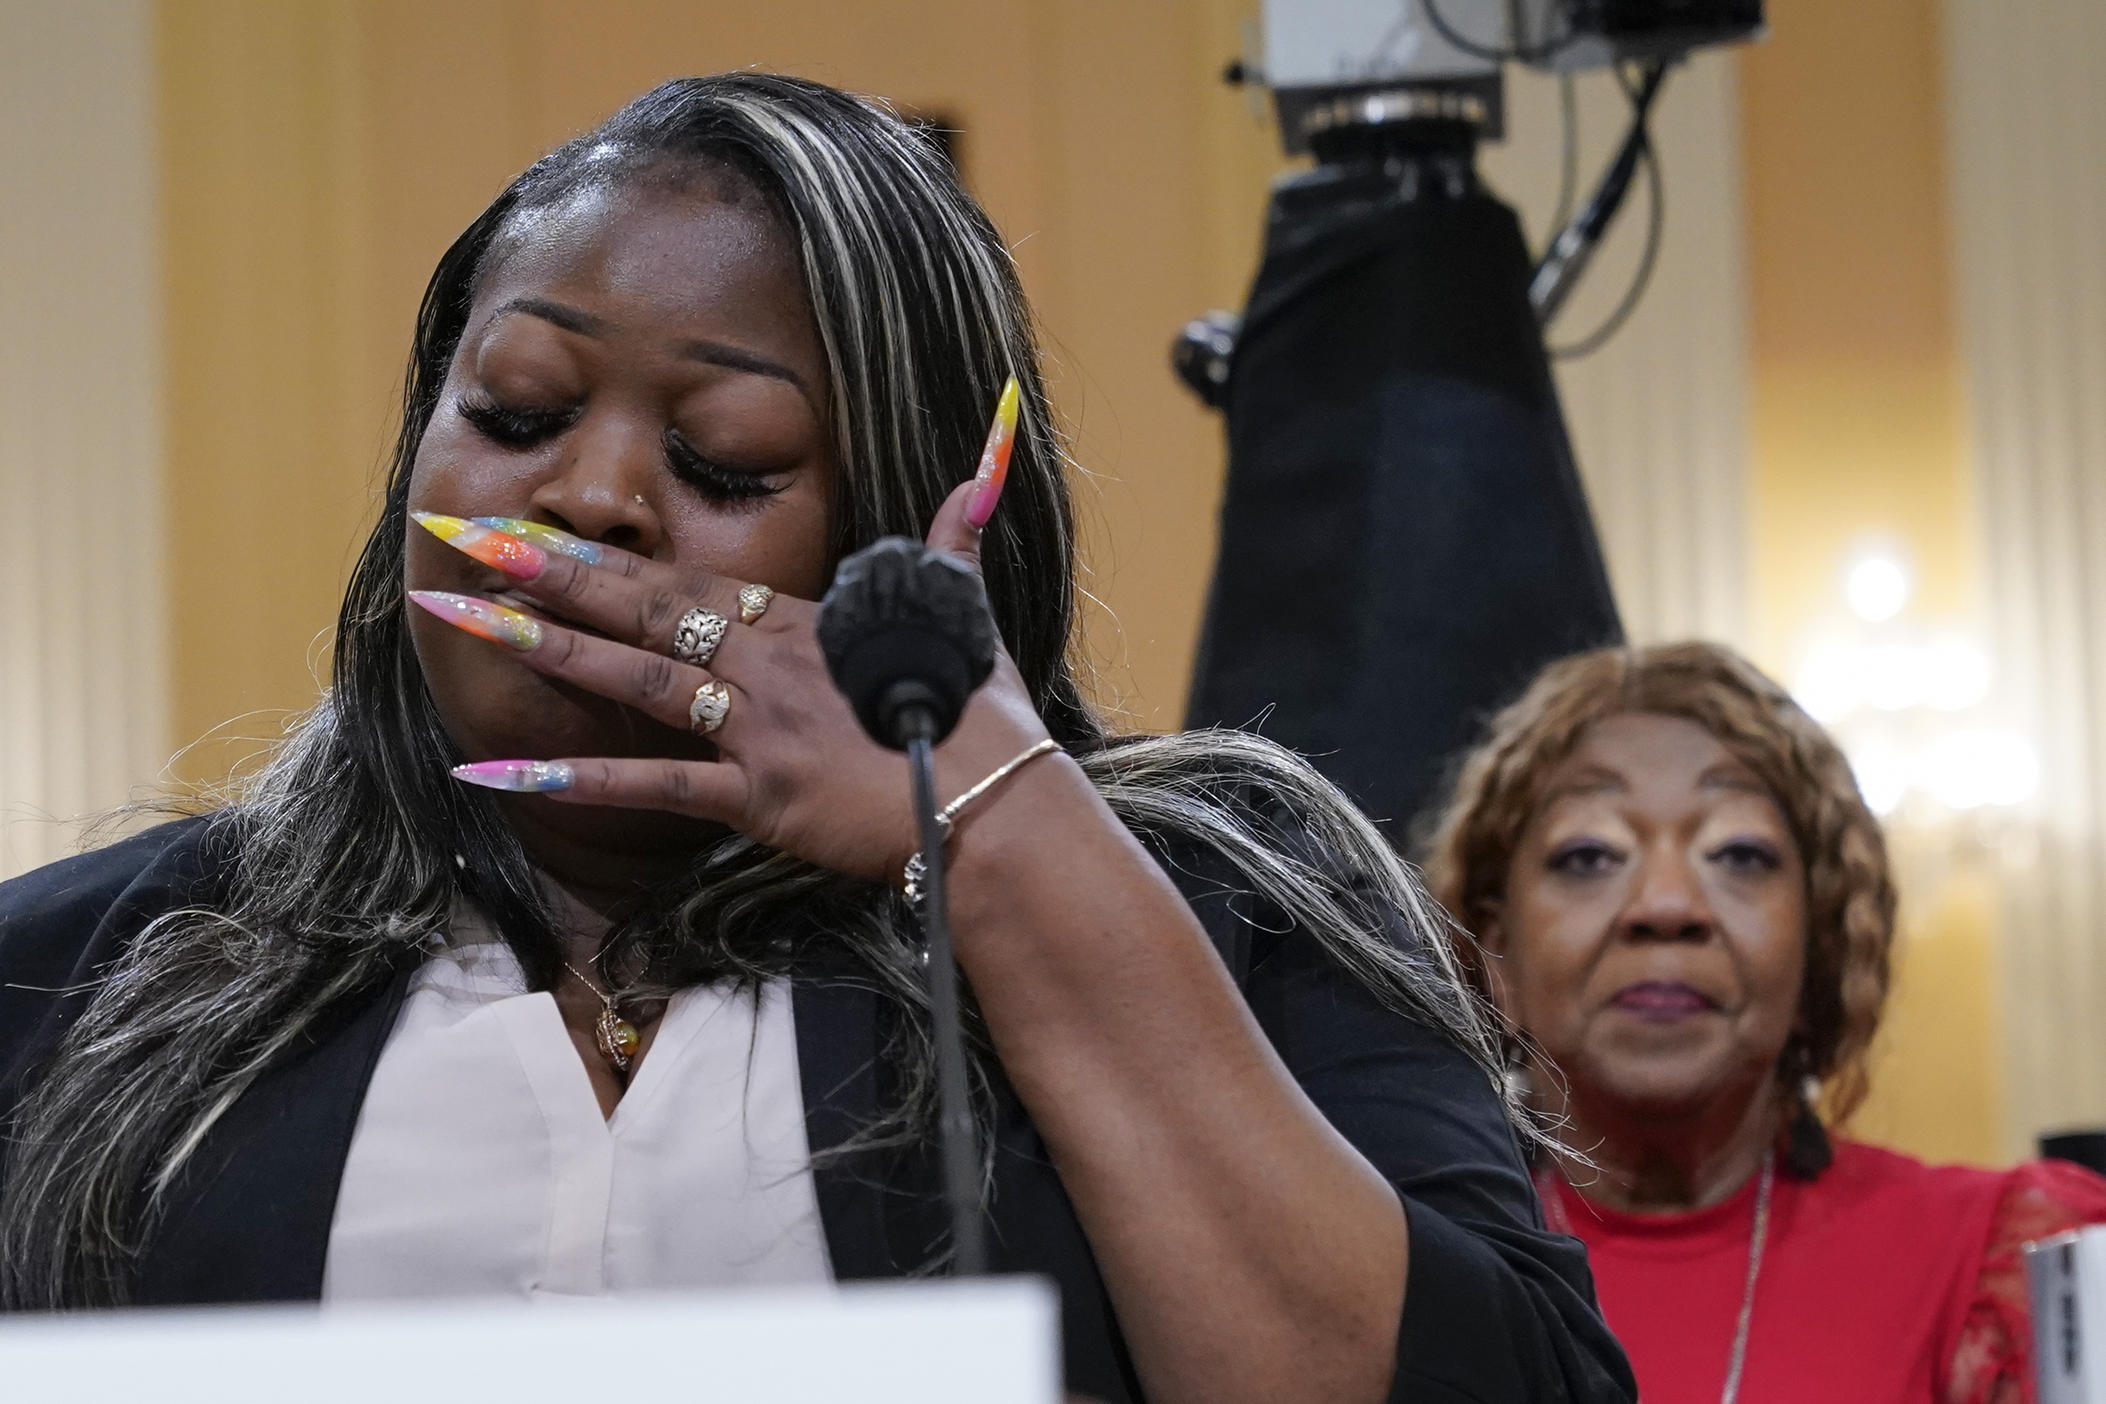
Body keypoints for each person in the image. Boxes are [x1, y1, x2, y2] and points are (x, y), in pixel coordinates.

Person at [0, 74, 1634, 1404]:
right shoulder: (78, 972)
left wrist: (992, 823)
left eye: (722, 459)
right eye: (512, 413)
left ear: (927, 518)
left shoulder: (1228, 906)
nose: (587, 496)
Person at [1423, 639, 2106, 1403]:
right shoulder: (1402, 1270)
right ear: (1494, 953)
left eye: (1739, 854)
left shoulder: (2004, 1260)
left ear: (1818, 948)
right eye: (1590, 855)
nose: (1667, 906)